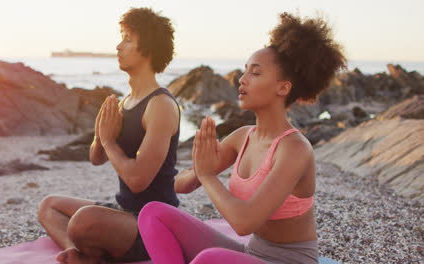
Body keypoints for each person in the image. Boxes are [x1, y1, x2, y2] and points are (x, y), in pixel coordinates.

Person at [137, 12, 346, 264]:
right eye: (245, 70)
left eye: (255, 73)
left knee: (209, 259)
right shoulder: (242, 137)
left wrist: (207, 175)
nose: (241, 79)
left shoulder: (294, 149)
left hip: (291, 261)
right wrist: (197, 168)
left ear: (283, 87)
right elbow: (181, 185)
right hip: (252, 254)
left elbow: (244, 222)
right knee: (153, 214)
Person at [37, 7, 180, 263]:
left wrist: (108, 140)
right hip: (124, 212)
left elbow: (138, 180)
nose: (118, 46)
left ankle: (88, 251)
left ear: (147, 49)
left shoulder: (160, 106)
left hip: (153, 223)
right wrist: (100, 134)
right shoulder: (125, 101)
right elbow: (96, 158)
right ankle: (79, 252)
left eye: (127, 39)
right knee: (49, 205)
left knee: (84, 221)